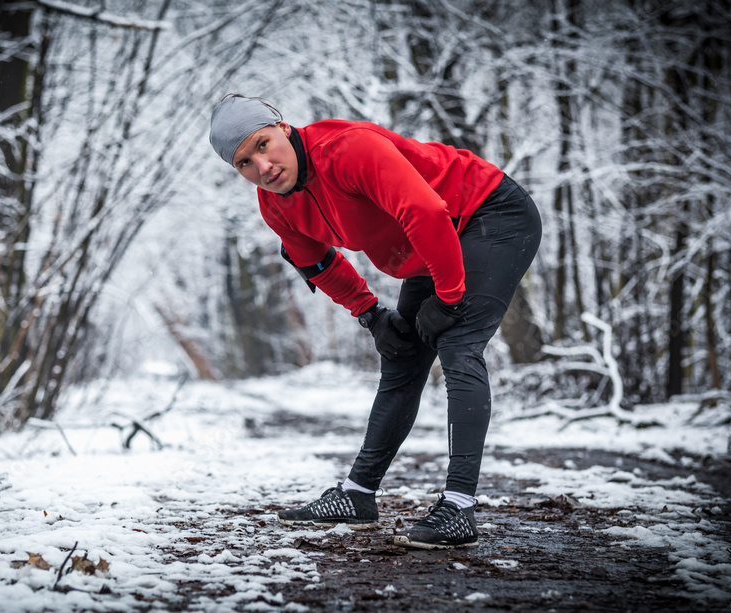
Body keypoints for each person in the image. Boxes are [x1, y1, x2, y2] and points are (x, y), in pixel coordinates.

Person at [208, 94, 542, 549]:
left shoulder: (349, 149)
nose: (262, 167)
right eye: (245, 162)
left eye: (263, 145)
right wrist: (370, 316)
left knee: (458, 345)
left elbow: (424, 211)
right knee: (402, 357)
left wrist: (449, 298)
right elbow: (318, 263)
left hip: (488, 212)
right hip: (435, 237)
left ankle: (460, 507)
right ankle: (358, 495)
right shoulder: (277, 205)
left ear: (284, 129)